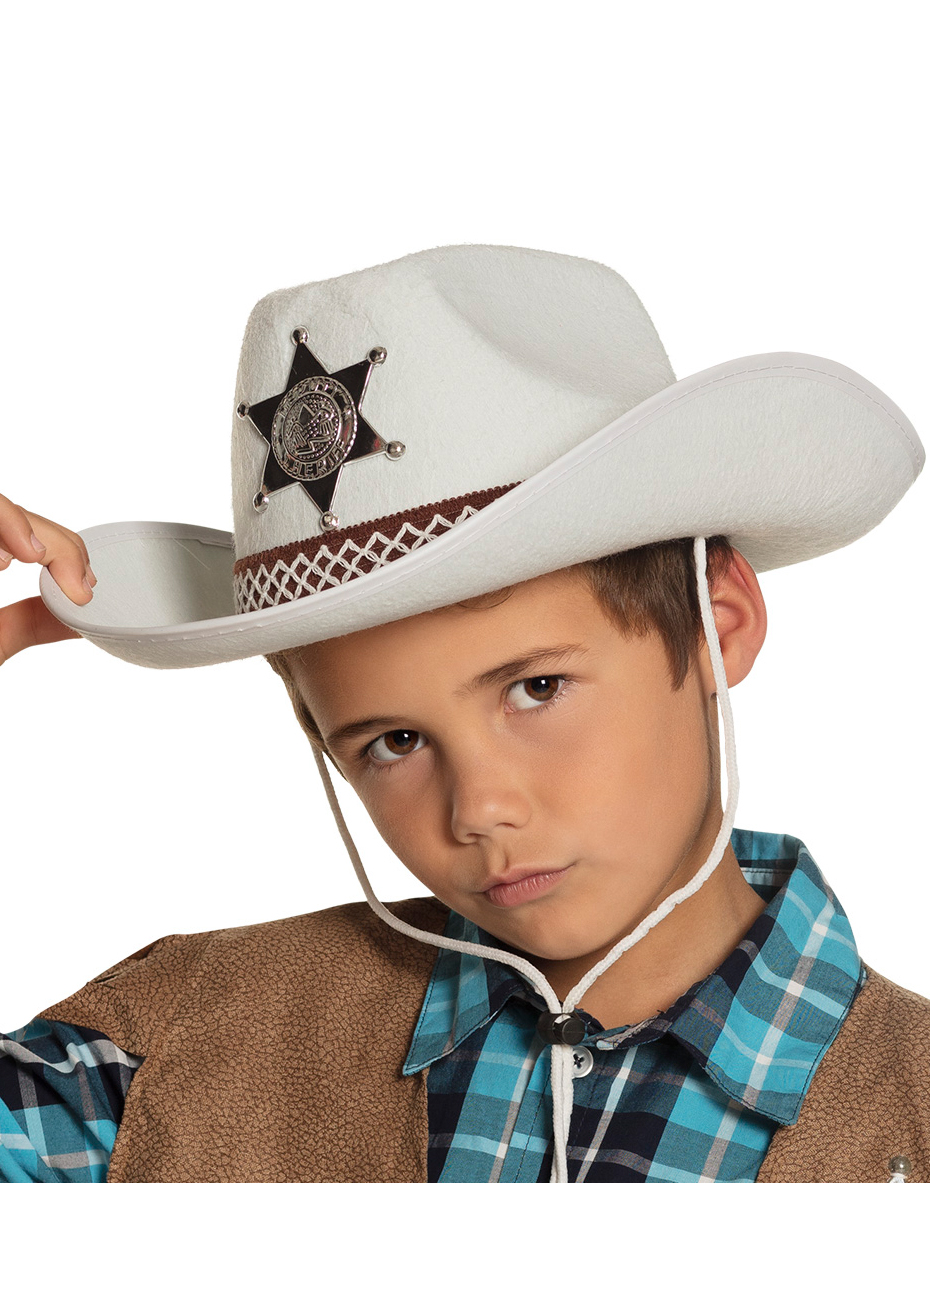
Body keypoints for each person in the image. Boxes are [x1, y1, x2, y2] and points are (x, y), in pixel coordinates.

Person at [1, 244, 928, 1184]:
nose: (478, 807)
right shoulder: (159, 1061)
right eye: (393, 741)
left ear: (716, 625)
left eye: (536, 688)